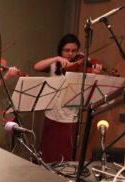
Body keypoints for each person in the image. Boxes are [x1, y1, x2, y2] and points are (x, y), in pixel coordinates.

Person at [33, 33, 103, 163]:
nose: (70, 54)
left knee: (66, 156)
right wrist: (56, 58)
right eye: (67, 50)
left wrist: (95, 74)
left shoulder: (82, 65)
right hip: (52, 115)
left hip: (70, 118)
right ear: (61, 50)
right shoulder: (55, 64)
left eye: (74, 51)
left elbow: (90, 89)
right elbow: (37, 66)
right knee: (48, 153)